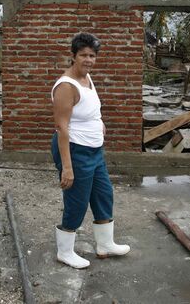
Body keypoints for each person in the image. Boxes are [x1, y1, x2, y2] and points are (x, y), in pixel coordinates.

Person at [51, 32, 130, 269]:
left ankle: (105, 244)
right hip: (75, 150)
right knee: (77, 200)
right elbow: (61, 128)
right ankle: (65, 251)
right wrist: (67, 167)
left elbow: (90, 108)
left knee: (103, 194)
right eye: (83, 55)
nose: (88, 60)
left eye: (92, 55)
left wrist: (100, 122)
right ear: (73, 56)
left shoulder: (87, 78)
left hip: (95, 150)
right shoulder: (66, 86)